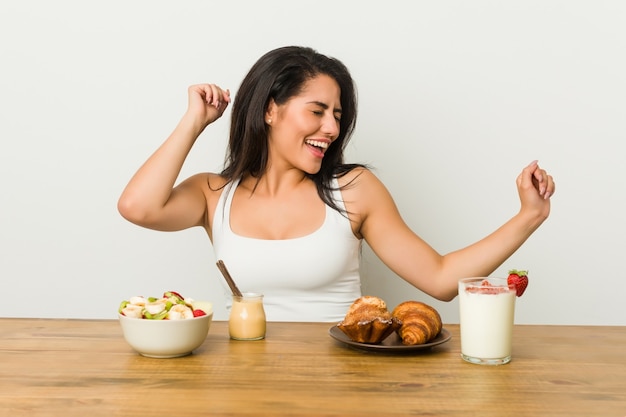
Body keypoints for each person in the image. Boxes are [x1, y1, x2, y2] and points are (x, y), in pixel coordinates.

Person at [118, 46, 555, 322]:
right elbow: (137, 207)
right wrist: (194, 122)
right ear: (271, 110)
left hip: (340, 377)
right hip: (241, 379)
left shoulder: (353, 190)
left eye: (338, 115)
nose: (331, 127)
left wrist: (528, 217)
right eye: (317, 110)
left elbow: (440, 280)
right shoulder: (213, 194)